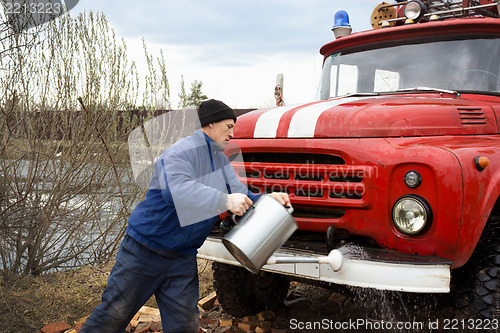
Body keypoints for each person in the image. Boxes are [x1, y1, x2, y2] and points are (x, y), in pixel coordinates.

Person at [80, 99, 290, 332]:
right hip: (144, 250)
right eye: (228, 126)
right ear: (210, 124)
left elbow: (241, 195)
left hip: (182, 258)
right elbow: (176, 192)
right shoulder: (181, 152)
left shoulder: (221, 160)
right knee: (113, 316)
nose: (233, 133)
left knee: (184, 326)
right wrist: (225, 201)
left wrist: (267, 198)